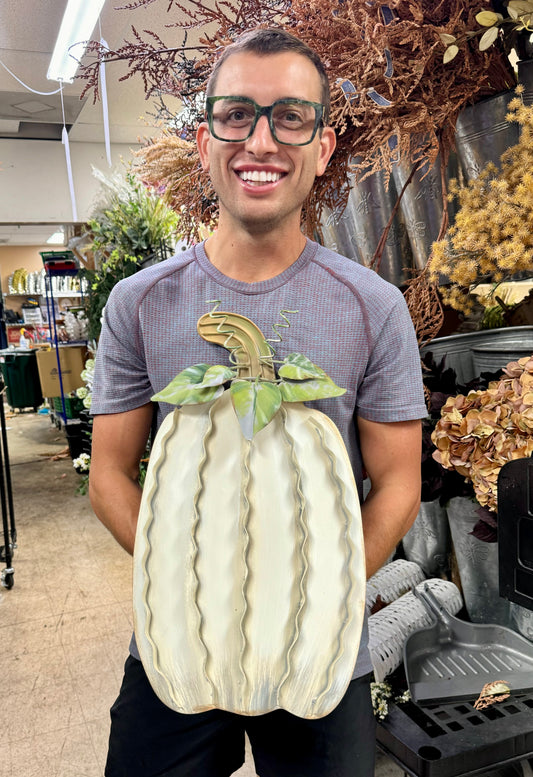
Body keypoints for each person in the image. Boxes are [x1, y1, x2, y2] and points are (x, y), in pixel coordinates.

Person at [89, 26, 426, 777]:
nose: (261, 140)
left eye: (290, 116)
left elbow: (398, 480)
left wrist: (315, 587)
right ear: (205, 140)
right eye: (236, 114)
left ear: (324, 147)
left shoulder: (371, 307)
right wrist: (185, 578)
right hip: (177, 637)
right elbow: (109, 474)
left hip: (318, 649)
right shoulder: (138, 303)